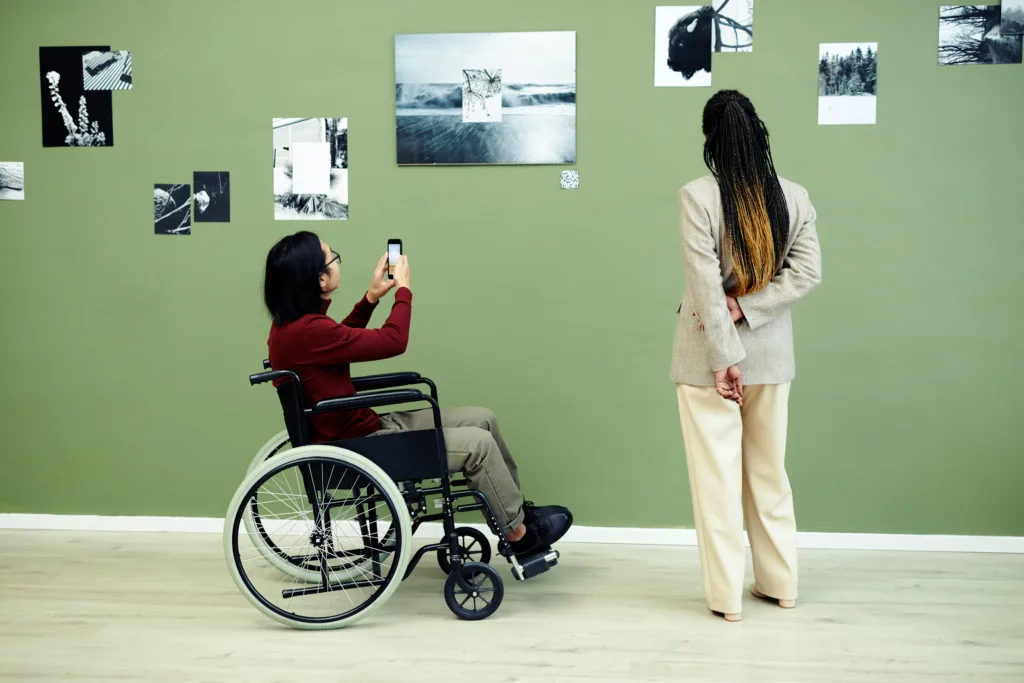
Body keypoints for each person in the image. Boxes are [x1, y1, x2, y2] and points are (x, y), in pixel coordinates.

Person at [263, 231, 572, 559]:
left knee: (483, 418)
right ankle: (520, 535)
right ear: (320, 279)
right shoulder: (309, 330)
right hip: (360, 447)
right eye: (332, 258)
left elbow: (338, 343)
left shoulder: (295, 328)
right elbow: (394, 340)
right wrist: (403, 291)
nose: (337, 262)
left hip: (364, 430)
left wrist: (370, 299)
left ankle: (514, 514)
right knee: (478, 447)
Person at [670, 90, 823, 622]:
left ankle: (726, 601)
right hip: (772, 357)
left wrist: (722, 355)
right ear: (759, 133)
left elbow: (705, 285)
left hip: (708, 358)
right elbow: (806, 274)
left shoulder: (697, 195)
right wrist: (752, 308)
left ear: (712, 139)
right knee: (768, 475)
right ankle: (782, 585)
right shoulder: (795, 197)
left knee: (717, 483)